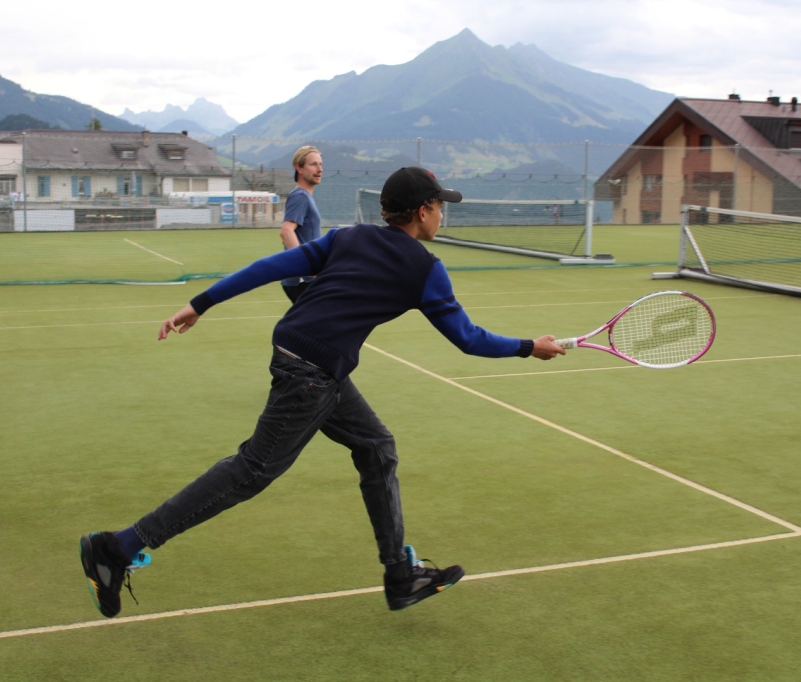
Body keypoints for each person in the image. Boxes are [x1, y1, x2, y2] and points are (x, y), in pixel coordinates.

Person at [79, 167, 566, 619]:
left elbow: (271, 266)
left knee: (376, 447)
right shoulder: (425, 268)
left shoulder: (349, 236)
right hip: (311, 373)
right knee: (252, 470)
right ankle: (118, 547)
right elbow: (468, 339)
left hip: (304, 359)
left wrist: (200, 303)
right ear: (422, 211)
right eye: (440, 206)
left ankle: (400, 574)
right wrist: (529, 347)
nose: (443, 214)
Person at [279, 145, 323, 303]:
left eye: (320, 164)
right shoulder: (300, 196)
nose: (319, 169)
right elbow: (286, 231)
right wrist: (305, 264)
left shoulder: (305, 196)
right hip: (302, 281)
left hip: (307, 279)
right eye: (313, 164)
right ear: (299, 168)